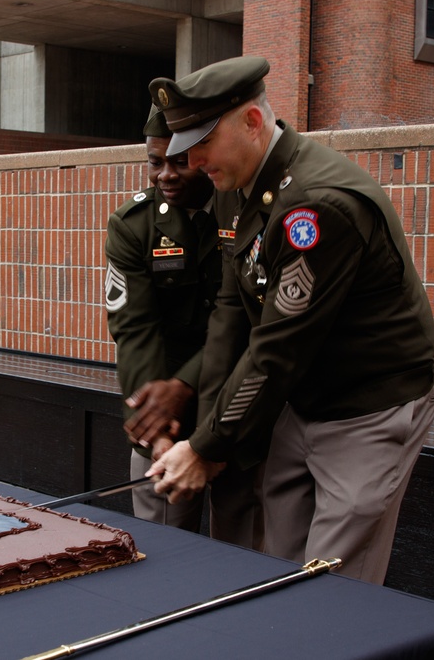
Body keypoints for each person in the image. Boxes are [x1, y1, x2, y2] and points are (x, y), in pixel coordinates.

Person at [145, 56, 434, 584]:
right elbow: (232, 314)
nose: (190, 160)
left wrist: (208, 445)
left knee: (332, 583)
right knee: (275, 567)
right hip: (300, 400)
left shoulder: (316, 205)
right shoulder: (234, 185)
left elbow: (278, 347)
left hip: (366, 409)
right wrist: (212, 440)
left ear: (252, 123)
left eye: (201, 143)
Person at [104, 105, 263, 548]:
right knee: (160, 543)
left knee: (242, 542)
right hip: (164, 402)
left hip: (238, 397)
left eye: (178, 161)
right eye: (155, 162)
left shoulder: (244, 212)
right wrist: (152, 423)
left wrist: (186, 384)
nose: (164, 175)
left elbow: (251, 322)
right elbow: (134, 329)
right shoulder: (134, 225)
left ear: (204, 157)